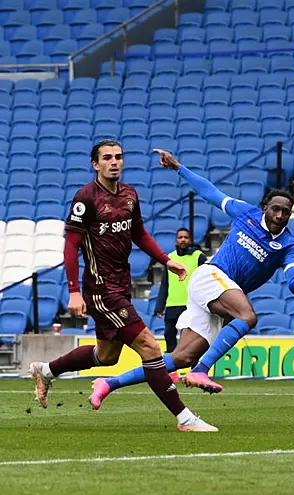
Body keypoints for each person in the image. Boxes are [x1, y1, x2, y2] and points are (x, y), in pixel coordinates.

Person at [88, 149, 294, 409]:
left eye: (285, 213)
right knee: (247, 317)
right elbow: (210, 192)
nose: (279, 216)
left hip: (221, 294)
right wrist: (179, 167)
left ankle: (108, 383)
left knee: (181, 356)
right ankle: (202, 370)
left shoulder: (289, 245)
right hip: (212, 276)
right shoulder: (246, 213)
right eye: (275, 209)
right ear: (265, 208)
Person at [28, 139, 217, 432]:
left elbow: (139, 233)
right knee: (150, 347)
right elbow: (71, 246)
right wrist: (74, 290)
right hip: (101, 290)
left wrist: (166, 261)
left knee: (107, 356)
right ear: (96, 164)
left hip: (122, 284)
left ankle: (46, 370)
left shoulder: (129, 194)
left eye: (118, 157)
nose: (114, 162)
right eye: (107, 158)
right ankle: (185, 418)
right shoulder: (86, 198)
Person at [154, 228, 207, 353]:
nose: (183, 239)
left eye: (186, 237)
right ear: (176, 240)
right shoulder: (170, 258)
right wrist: (159, 306)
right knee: (169, 336)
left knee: (192, 339)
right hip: (172, 304)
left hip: (191, 305)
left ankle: (194, 368)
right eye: (180, 237)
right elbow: (164, 284)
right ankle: (172, 370)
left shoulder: (198, 256)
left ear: (190, 240)